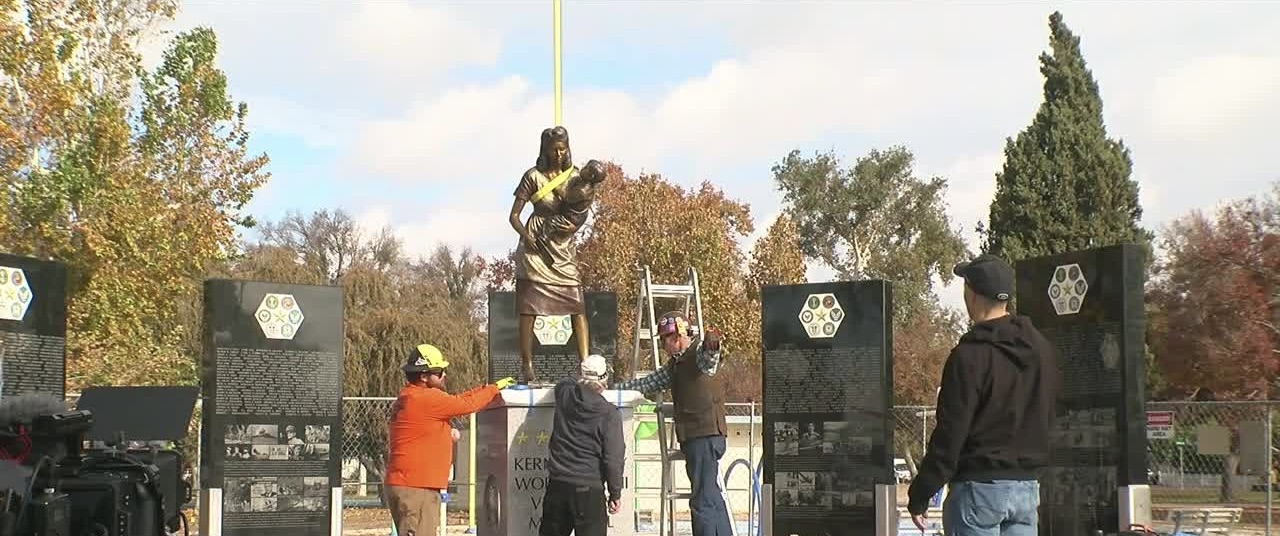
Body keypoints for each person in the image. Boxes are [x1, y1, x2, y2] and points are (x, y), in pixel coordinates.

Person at [907, 254, 1061, 535]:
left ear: (972, 294)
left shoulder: (968, 356)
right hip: (1026, 489)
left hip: (977, 490)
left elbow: (950, 434)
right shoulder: (1041, 350)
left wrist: (921, 493)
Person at [612, 311, 732, 536]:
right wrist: (611, 389)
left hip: (703, 436)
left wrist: (712, 345)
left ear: (678, 336)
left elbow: (709, 360)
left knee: (702, 501)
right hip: (700, 437)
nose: (663, 345)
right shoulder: (677, 364)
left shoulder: (697, 353)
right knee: (710, 496)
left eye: (665, 339)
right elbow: (647, 383)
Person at [384, 343, 516, 536]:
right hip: (418, 486)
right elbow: (466, 404)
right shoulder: (426, 398)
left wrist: (487, 389)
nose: (444, 375)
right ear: (424, 376)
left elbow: (457, 400)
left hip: (407, 483)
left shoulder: (411, 396)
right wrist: (494, 389)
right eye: (439, 372)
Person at [539, 354, 626, 536]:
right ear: (604, 380)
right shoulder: (608, 413)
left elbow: (566, 381)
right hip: (589, 488)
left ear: (581, 375)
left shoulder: (565, 394)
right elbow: (613, 458)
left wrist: (580, 376)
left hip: (558, 484)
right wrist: (615, 493)